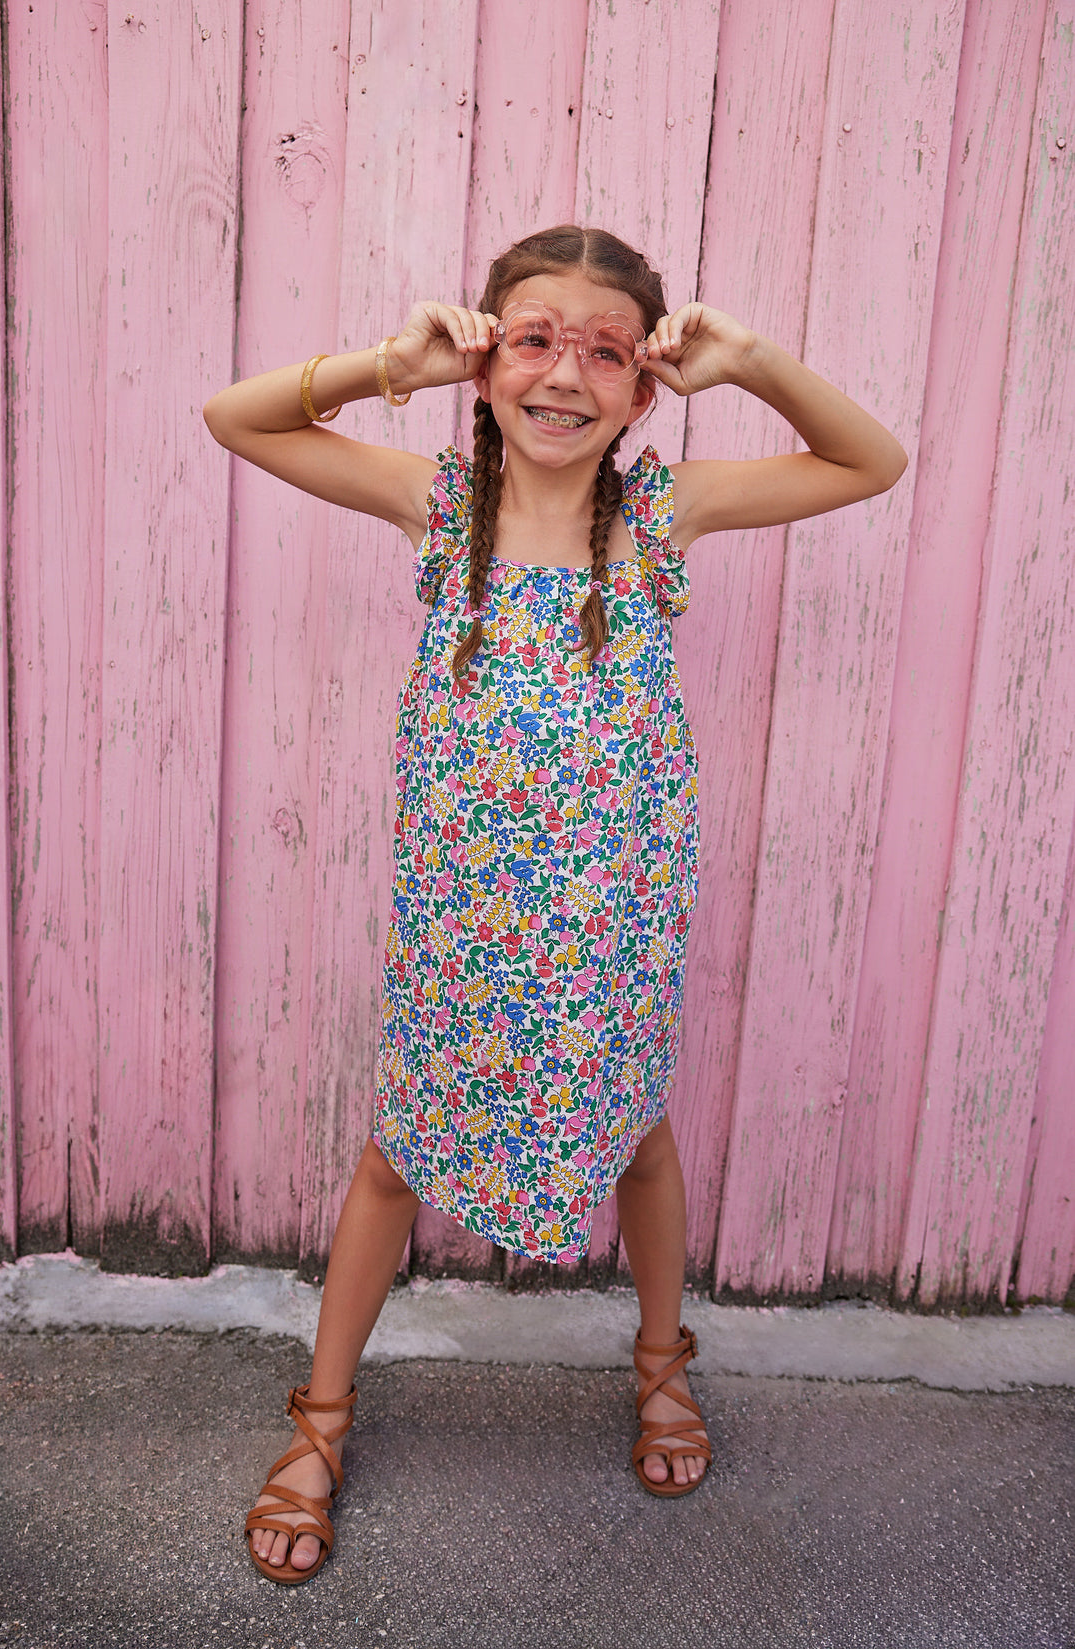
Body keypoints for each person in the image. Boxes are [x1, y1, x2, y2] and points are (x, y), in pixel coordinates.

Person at [203, 224, 907, 1584]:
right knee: (397, 1152)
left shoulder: (664, 514)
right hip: (461, 912)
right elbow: (236, 420)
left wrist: (752, 358)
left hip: (612, 916)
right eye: (532, 337)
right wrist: (382, 362)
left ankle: (660, 1365)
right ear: (484, 363)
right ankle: (323, 1416)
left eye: (603, 349)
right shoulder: (436, 505)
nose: (564, 374)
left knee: (637, 1135)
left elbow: (871, 462)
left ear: (645, 388)